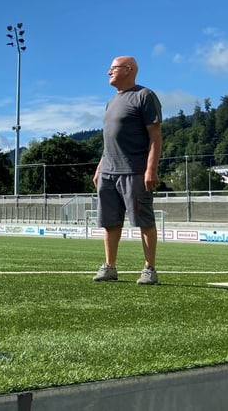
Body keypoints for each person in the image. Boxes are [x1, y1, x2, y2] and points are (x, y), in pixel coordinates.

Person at [92, 56, 163, 285]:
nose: (108, 72)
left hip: (134, 171)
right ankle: (110, 267)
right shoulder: (111, 101)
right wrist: (100, 168)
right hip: (109, 172)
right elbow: (110, 140)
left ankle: (149, 268)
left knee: (144, 221)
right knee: (110, 222)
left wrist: (150, 168)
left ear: (128, 69)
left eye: (113, 68)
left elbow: (155, 136)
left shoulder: (145, 96)